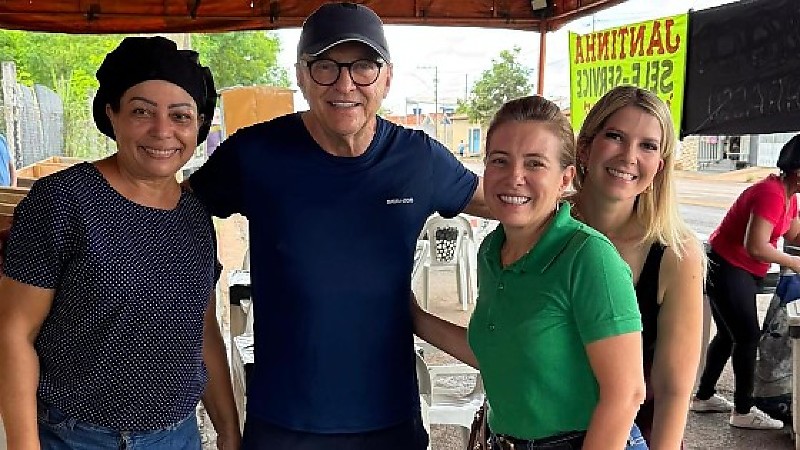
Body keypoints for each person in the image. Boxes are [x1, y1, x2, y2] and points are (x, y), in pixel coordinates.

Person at [186, 3, 489, 449]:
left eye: (364, 66)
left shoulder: (417, 158)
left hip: (388, 419)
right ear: (302, 76)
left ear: (387, 78)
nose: (345, 84)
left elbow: (513, 203)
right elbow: (171, 207)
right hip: (284, 422)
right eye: (325, 66)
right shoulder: (256, 154)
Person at [0, 36, 241, 449]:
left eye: (180, 116)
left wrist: (229, 430)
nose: (162, 131)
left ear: (199, 124)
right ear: (111, 114)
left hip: (178, 437)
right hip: (77, 438)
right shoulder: (64, 200)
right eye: (141, 111)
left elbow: (201, 328)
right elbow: (14, 331)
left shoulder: (194, 213)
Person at [412, 95, 647, 449]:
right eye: (500, 161)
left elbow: (626, 394)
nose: (514, 177)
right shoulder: (491, 251)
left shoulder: (588, 256)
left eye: (535, 164)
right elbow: (500, 354)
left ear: (565, 178)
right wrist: (414, 316)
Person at [570, 86, 705, 448]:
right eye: (615, 136)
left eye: (648, 146)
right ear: (585, 148)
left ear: (659, 166)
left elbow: (673, 391)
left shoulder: (677, 253)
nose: (629, 156)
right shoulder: (544, 225)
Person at [691, 134, 800, 430]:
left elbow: (793, 234)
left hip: (740, 268)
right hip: (727, 266)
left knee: (730, 335)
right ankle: (743, 411)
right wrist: (794, 263)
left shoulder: (789, 196)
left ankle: (703, 397)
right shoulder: (770, 194)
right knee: (748, 336)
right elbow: (757, 246)